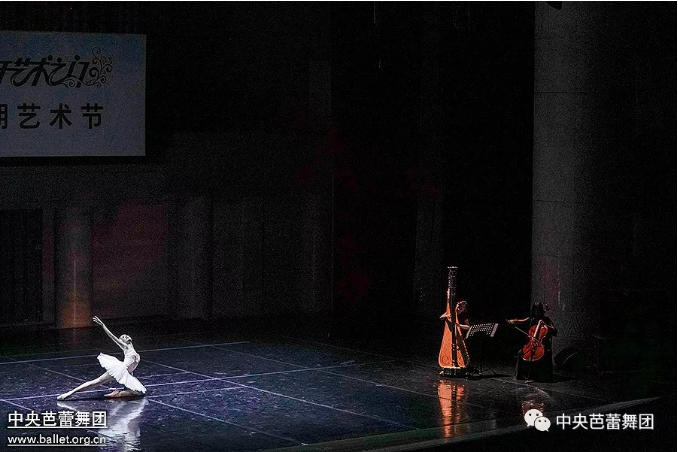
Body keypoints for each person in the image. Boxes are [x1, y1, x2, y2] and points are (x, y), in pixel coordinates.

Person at [57, 316, 146, 400]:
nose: (125, 336)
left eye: (126, 335)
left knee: (139, 392)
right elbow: (112, 337)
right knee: (96, 382)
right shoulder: (126, 347)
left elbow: (131, 367)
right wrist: (103, 325)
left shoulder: (134, 352)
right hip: (119, 370)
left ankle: (117, 394)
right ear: (122, 341)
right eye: (123, 337)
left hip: (126, 373)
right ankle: (69, 393)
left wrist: (129, 380)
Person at [507, 302, 557, 383]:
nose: (536, 313)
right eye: (535, 311)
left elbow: (554, 331)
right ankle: (521, 375)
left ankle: (536, 376)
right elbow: (522, 321)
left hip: (542, 345)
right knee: (520, 353)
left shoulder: (546, 319)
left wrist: (545, 324)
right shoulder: (532, 319)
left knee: (540, 356)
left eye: (538, 310)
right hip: (531, 344)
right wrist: (513, 321)